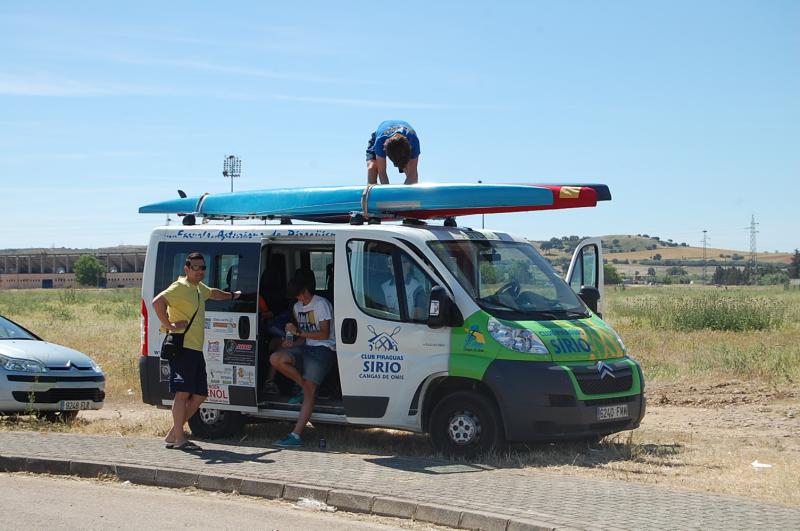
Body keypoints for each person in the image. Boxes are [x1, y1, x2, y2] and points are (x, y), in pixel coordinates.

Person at [152, 252, 241, 450]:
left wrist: (233, 295)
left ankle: (173, 433)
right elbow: (157, 302)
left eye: (203, 268)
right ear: (186, 269)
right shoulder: (179, 287)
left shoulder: (199, 288)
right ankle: (180, 439)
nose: (200, 271)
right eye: (196, 267)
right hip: (182, 347)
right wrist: (170, 325)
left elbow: (215, 293)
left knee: (201, 394)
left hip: (195, 349)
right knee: (182, 394)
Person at [270, 268, 336, 448]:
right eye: (297, 297)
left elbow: (323, 335)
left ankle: (296, 434)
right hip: (306, 348)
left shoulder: (321, 304)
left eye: (301, 295)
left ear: (306, 290)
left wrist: (298, 332)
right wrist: (292, 343)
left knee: (309, 391)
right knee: (276, 358)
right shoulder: (297, 307)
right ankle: (303, 386)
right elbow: (304, 337)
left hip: (324, 350)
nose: (300, 300)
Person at [366, 120, 420, 185]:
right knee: (372, 167)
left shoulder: (413, 141)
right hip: (379, 136)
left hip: (407, 139)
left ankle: (411, 193)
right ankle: (371, 193)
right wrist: (387, 193)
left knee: (408, 169)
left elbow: (413, 173)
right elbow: (382, 173)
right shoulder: (380, 143)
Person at [382, 256, 427, 320]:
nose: (389, 266)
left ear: (408, 264)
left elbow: (419, 316)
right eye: (389, 264)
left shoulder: (417, 288)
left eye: (393, 262)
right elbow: (381, 312)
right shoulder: (384, 287)